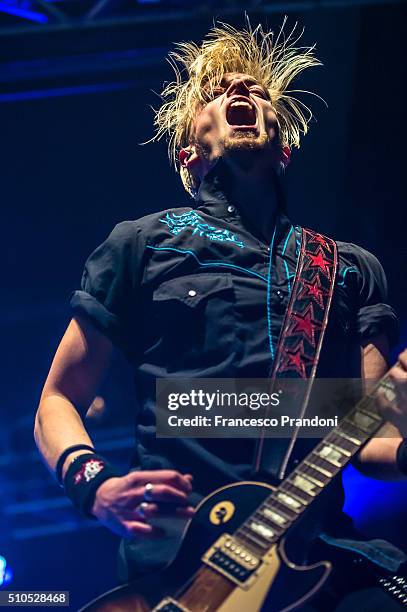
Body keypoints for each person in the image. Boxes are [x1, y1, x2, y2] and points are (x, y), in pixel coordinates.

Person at [34, 21, 407, 610]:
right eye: (218, 91)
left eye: (257, 92)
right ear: (191, 152)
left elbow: (370, 437)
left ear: (282, 147)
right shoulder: (143, 243)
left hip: (319, 548)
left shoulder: (348, 268)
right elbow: (59, 397)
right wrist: (96, 485)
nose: (240, 88)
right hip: (182, 559)